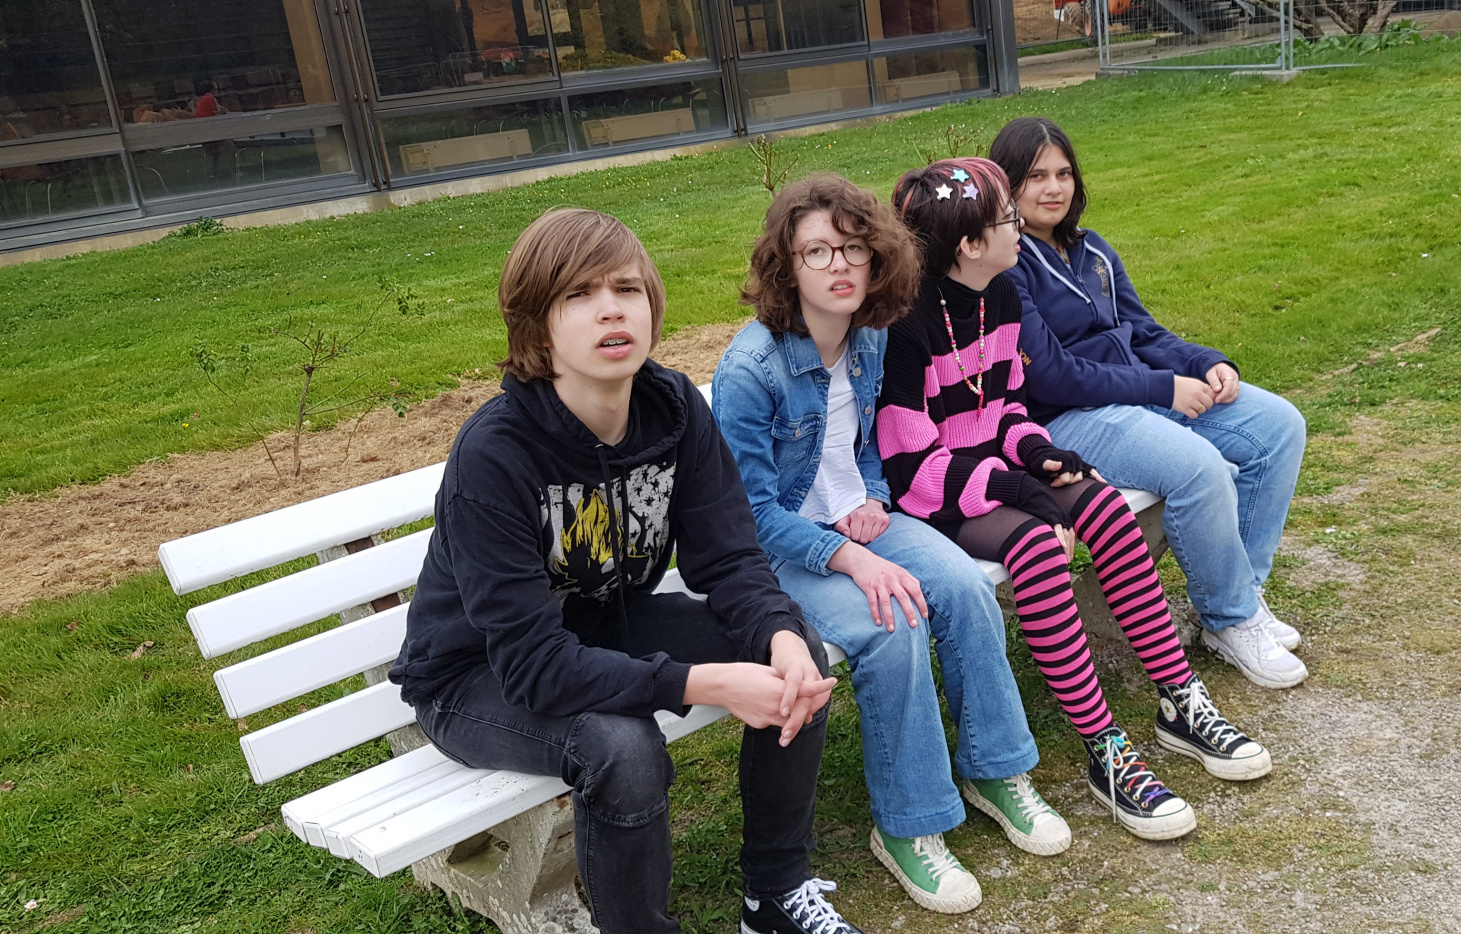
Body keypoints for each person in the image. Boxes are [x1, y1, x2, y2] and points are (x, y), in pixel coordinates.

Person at [388, 208, 861, 934]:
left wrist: (779, 638)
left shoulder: (672, 410)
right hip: (478, 676)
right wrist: (704, 683)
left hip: (602, 623)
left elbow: (730, 558)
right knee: (622, 748)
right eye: (578, 295)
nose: (611, 308)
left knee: (794, 649)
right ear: (538, 328)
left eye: (627, 288)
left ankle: (774, 893)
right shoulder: (496, 454)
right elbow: (534, 667)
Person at [879, 158, 1271, 843]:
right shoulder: (906, 326)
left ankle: (1180, 702)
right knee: (1036, 545)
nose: (1019, 229)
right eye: (1007, 219)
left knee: (1108, 511)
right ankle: (1105, 748)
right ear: (969, 244)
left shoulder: (999, 295)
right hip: (936, 494)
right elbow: (911, 464)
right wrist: (1020, 487)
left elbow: (1006, 408)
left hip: (997, 472)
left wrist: (1037, 453)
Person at [713, 174, 1071, 915]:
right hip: (783, 548)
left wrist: (873, 499)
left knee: (965, 589)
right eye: (817, 252)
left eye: (854, 249)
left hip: (860, 522)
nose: (839, 266)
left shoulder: (869, 336)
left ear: (878, 257)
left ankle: (995, 770)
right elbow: (749, 515)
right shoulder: (752, 370)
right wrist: (848, 555)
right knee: (893, 622)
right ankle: (910, 825)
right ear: (787, 265)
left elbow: (868, 443)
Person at [990, 116, 1312, 690]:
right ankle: (1231, 619)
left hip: (1136, 392)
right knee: (1198, 467)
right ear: (1007, 184)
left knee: (1279, 427)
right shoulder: (1007, 267)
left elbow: (1142, 331)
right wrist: (1163, 388)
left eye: (1063, 173)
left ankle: (1243, 594)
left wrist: (1203, 362)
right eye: (1035, 176)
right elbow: (1052, 379)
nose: (1053, 188)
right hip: (1066, 422)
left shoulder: (1092, 250)